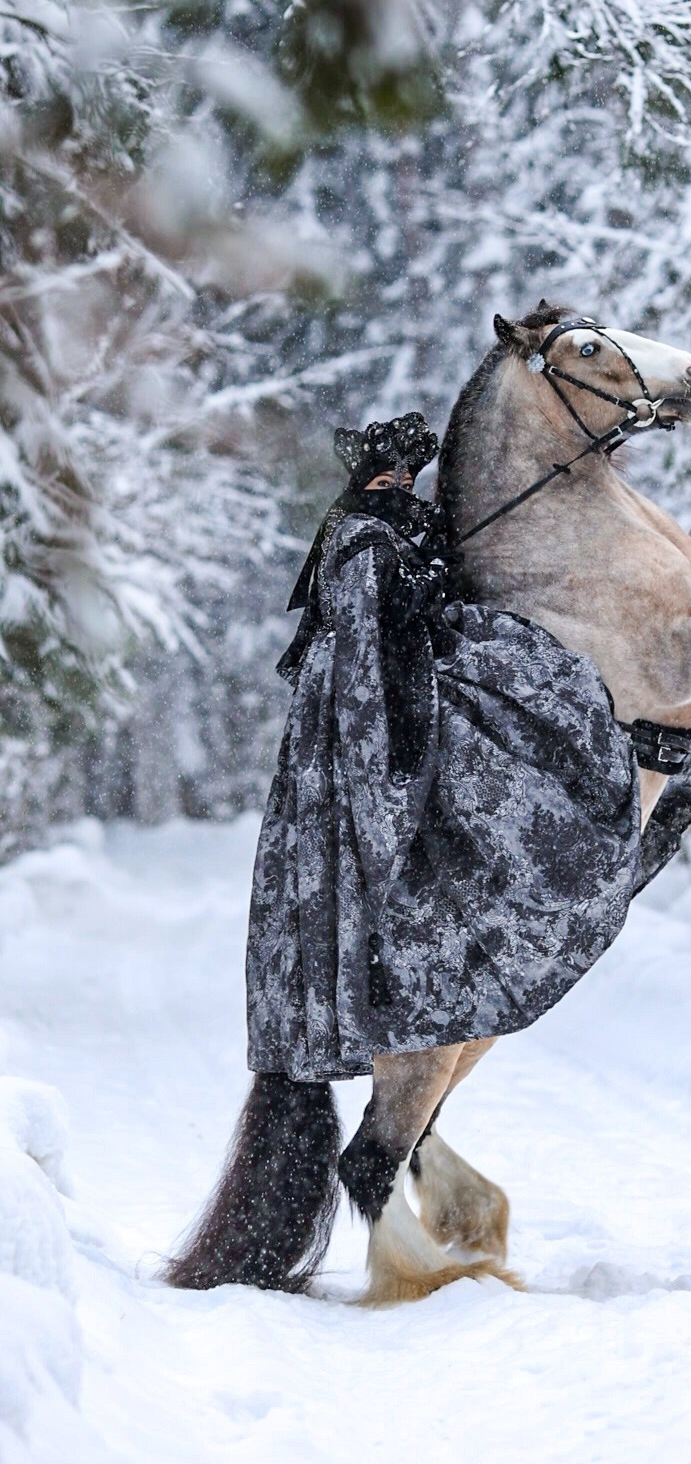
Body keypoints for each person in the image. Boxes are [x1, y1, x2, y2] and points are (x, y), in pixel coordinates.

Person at [246, 414, 646, 1085]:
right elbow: (377, 627)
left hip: (397, 685)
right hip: (372, 711)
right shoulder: (357, 537)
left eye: (408, 479)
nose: (398, 489)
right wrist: (417, 590)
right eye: (385, 478)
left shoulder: (392, 535)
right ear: (361, 482)